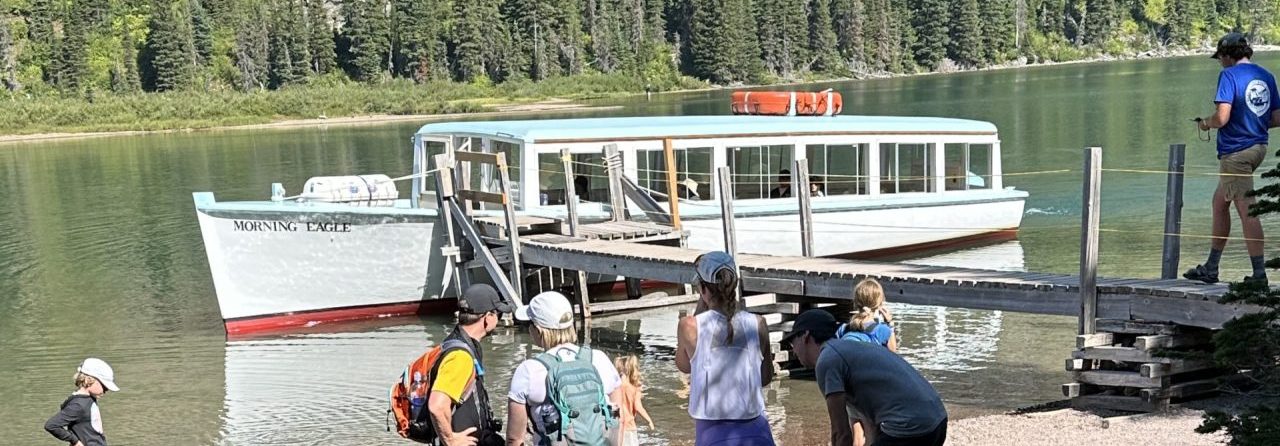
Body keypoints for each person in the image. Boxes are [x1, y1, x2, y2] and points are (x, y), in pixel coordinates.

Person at [1186, 32, 1280, 286]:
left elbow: (1222, 117)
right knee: (1219, 203)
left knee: (1248, 211)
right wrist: (1252, 125)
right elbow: (1276, 118)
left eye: (1220, 57)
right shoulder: (1266, 76)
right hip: (1258, 148)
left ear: (1228, 56)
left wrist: (1206, 123)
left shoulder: (1228, 76)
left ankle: (1259, 276)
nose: (1220, 62)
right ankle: (1211, 267)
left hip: (1236, 154)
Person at [785, 309, 948, 446]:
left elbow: (840, 434)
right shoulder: (849, 349)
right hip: (937, 419)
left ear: (805, 336)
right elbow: (870, 424)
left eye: (792, 343)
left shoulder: (827, 360)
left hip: (909, 428)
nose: (793, 351)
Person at [676, 251, 776, 446]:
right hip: (757, 431)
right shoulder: (758, 323)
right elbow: (765, 378)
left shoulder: (689, 326)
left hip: (712, 433)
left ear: (703, 289)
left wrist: (702, 302)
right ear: (735, 284)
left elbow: (684, 366)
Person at [506, 291, 623, 446]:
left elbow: (515, 439)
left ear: (539, 330)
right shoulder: (599, 358)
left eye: (530, 324)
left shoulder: (528, 370)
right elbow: (619, 418)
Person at [428, 284, 513, 446]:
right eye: (499, 314)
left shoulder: (456, 342)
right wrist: (449, 440)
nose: (499, 319)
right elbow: (436, 406)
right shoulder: (460, 356)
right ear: (488, 318)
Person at [839, 279, 900, 446]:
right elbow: (893, 358)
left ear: (856, 301)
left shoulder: (843, 329)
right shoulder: (883, 330)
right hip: (873, 390)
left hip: (850, 386)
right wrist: (890, 324)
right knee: (872, 431)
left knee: (857, 434)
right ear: (880, 303)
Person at [45, 358, 120, 446]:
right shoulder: (78, 405)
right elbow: (51, 425)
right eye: (104, 386)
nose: (106, 390)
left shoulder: (89, 398)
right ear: (88, 380)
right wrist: (75, 441)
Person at [613, 355, 655, 446]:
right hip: (629, 426)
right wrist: (649, 420)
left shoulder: (615, 386)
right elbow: (638, 406)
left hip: (616, 426)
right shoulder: (635, 387)